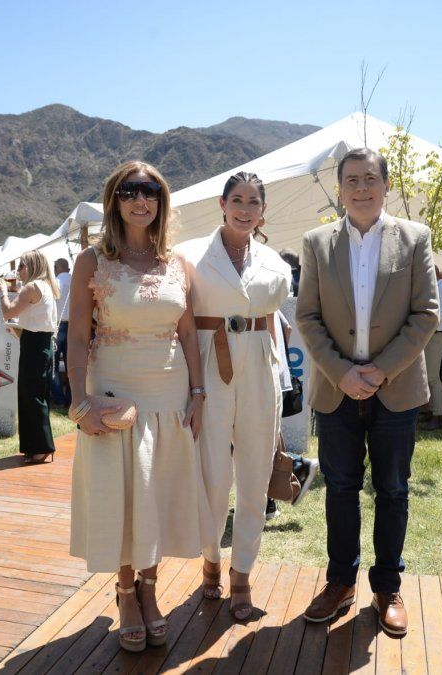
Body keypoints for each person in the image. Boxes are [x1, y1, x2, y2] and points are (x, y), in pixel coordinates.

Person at [68, 161, 211, 652]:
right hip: (114, 394)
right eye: (129, 190)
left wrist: (197, 394)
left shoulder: (179, 263)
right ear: (115, 200)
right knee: (124, 496)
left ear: (161, 200)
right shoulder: (92, 261)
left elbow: (188, 332)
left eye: (150, 191)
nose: (140, 199)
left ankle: (151, 591)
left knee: (156, 494)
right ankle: (126, 592)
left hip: (169, 397)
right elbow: (77, 336)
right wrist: (78, 401)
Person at [296, 148, 438, 636]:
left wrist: (378, 371)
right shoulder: (315, 242)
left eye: (370, 179)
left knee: (393, 489)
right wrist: (342, 373)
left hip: (394, 388)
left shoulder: (416, 238)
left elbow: (426, 314)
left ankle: (387, 586)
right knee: (340, 489)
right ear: (339, 188)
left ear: (386, 184)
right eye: (351, 180)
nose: (361, 188)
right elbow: (307, 317)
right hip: (336, 389)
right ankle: (340, 582)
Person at [176, 171, 291, 620]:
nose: (245, 209)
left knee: (255, 474)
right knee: (211, 474)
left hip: (259, 369)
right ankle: (210, 560)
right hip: (208, 364)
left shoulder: (276, 264)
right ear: (221, 204)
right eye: (237, 199)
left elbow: (276, 318)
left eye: (254, 202)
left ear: (263, 210)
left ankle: (241, 574)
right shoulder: (188, 256)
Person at [0, 250, 60, 463]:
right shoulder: (46, 286)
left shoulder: (32, 287)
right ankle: (36, 446)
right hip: (41, 344)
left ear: (32, 266)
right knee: (34, 394)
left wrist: (4, 292)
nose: (18, 270)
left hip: (33, 345)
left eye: (22, 266)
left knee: (31, 395)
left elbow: (8, 312)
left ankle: (41, 447)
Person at [423, 265, 442, 430]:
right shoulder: (432, 288)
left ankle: (438, 415)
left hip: (435, 335)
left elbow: (441, 316)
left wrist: (421, 321)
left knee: (433, 378)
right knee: (428, 376)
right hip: (428, 336)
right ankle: (432, 411)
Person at [51, 257, 72, 407]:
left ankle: (59, 399)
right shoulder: (77, 280)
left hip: (58, 326)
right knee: (72, 365)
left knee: (53, 365)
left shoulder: (56, 282)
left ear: (56, 268)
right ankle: (71, 399)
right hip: (74, 326)